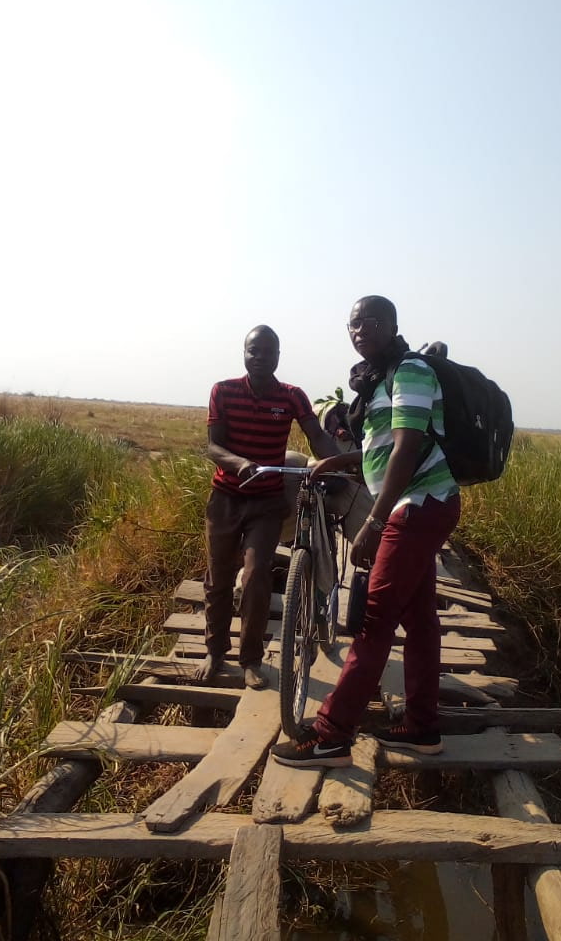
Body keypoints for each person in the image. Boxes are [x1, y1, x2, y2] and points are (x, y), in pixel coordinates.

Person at [271, 296, 461, 766]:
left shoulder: (412, 370)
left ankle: (332, 734)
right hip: (415, 505)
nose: (357, 332)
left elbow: (408, 447)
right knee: (419, 622)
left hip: (418, 506)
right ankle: (422, 727)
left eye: (367, 323)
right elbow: (383, 449)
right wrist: (342, 459)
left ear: (392, 325)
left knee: (374, 619)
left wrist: (373, 522)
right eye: (351, 325)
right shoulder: (381, 381)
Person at [196, 325, 338, 690]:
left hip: (267, 501)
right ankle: (215, 652)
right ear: (244, 354)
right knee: (218, 579)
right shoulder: (223, 391)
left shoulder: (291, 396)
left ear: (278, 355)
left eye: (267, 351)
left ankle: (251, 660)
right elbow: (213, 446)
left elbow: (317, 436)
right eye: (252, 351)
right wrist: (239, 462)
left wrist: (342, 461)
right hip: (227, 497)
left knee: (257, 575)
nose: (259, 357)